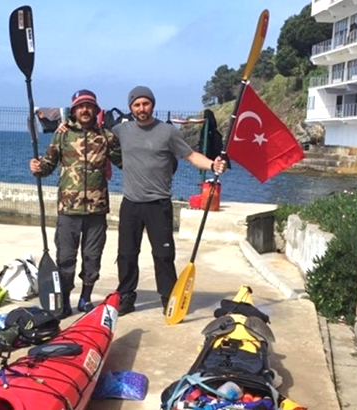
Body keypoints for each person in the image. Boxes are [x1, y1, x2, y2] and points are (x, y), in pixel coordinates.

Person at [114, 86, 227, 316]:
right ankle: (126, 297)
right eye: (137, 105)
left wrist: (212, 165)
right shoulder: (121, 131)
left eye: (145, 104)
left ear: (152, 105)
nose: (141, 108)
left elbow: (191, 155)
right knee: (126, 254)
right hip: (131, 203)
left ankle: (168, 298)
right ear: (131, 108)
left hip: (159, 204)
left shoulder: (168, 132)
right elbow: (92, 133)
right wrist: (64, 125)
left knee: (163, 255)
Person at [29, 89, 122, 319]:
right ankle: (65, 300)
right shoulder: (62, 135)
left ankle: (86, 298)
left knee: (93, 256)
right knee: (65, 258)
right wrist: (37, 167)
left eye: (89, 106)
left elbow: (124, 161)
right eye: (80, 106)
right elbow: (47, 166)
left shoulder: (106, 136)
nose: (85, 110)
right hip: (68, 210)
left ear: (95, 110)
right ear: (74, 110)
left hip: (96, 210)